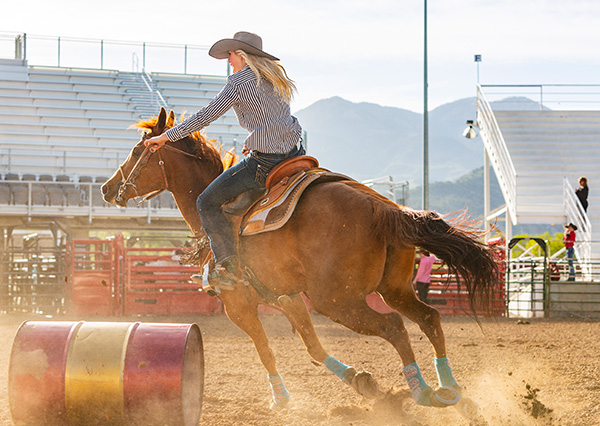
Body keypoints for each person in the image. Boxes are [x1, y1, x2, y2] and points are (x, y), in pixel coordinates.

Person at [144, 32, 304, 289]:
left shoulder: (239, 82)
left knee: (206, 202)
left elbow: (206, 116)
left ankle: (227, 267)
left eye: (230, 54)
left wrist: (166, 137)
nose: (228, 59)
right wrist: (253, 141)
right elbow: (274, 120)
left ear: (241, 55)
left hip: (266, 162)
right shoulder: (275, 78)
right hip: (295, 154)